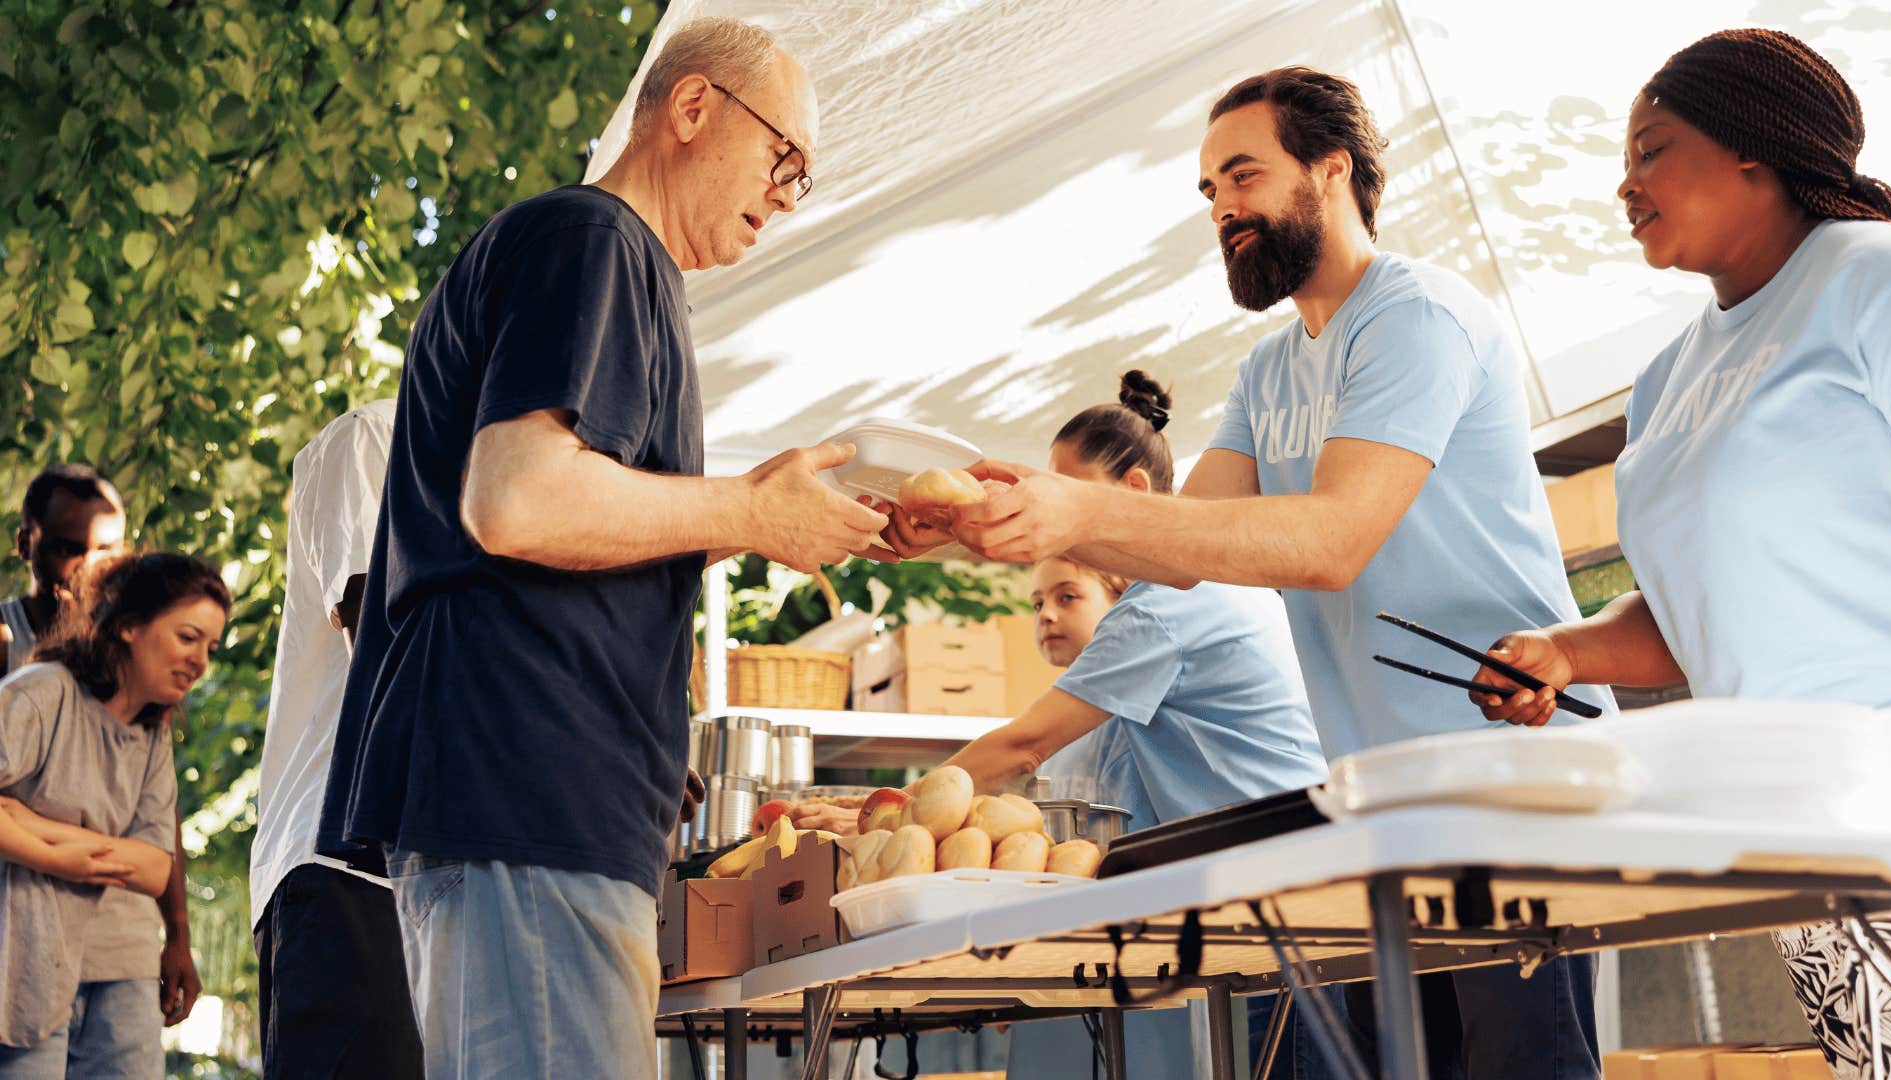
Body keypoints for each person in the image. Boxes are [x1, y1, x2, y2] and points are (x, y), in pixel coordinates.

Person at [886, 67, 1610, 1076]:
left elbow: (1328, 540)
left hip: (1506, 778)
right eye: (1210, 193)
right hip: (1387, 801)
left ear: (1332, 168)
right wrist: (992, 526)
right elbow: (1182, 549)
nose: (1224, 210)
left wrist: (1076, 511)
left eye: (1242, 177)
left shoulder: (1416, 319)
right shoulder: (1271, 371)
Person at [316, 17, 890, 1079]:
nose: (786, 193)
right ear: (691, 107)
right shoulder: (596, 242)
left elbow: (575, 534)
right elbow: (520, 504)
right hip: (529, 793)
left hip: (528, 803)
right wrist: (751, 514)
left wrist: (784, 515)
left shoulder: (605, 260)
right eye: (786, 159)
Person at [1471, 29, 1891, 1078]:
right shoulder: (1667, 381)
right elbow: (1701, 613)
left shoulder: (1881, 282)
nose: (1625, 186)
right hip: (1804, 845)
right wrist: (1566, 653)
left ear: (1754, 149)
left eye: (1653, 149)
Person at [832, 373, 1327, 1077]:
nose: (1050, 513)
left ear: (1131, 494)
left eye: (1065, 492)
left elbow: (1025, 744)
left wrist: (885, 816)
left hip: (1277, 910)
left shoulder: (1163, 607)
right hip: (1271, 903)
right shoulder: (1204, 584)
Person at [0, 552, 230, 1079]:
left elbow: (153, 869)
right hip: (25, 958)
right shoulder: (40, 695)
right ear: (128, 626)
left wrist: (29, 826)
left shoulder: (153, 732)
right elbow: (137, 860)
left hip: (119, 954)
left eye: (211, 647)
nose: (201, 661)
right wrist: (73, 859)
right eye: (188, 637)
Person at [249, 399, 422, 1079]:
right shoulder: (376, 437)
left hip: (446, 878)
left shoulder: (536, 481)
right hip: (348, 870)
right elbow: (381, 649)